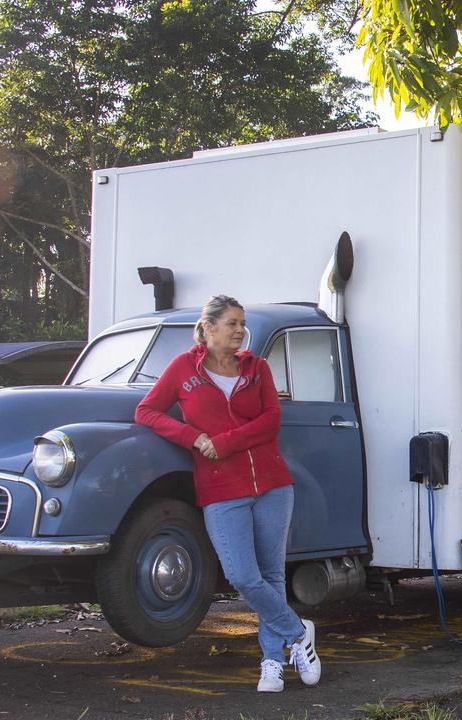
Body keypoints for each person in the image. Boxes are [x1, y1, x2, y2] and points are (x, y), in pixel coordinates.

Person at [135, 294, 320, 693]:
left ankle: (272, 663)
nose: (240, 331)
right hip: (220, 488)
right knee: (241, 575)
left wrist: (225, 442)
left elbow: (271, 420)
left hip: (272, 484)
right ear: (208, 328)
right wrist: (194, 437)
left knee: (271, 574)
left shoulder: (257, 367)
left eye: (242, 323)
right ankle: (297, 632)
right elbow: (146, 411)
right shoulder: (183, 369)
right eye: (232, 323)